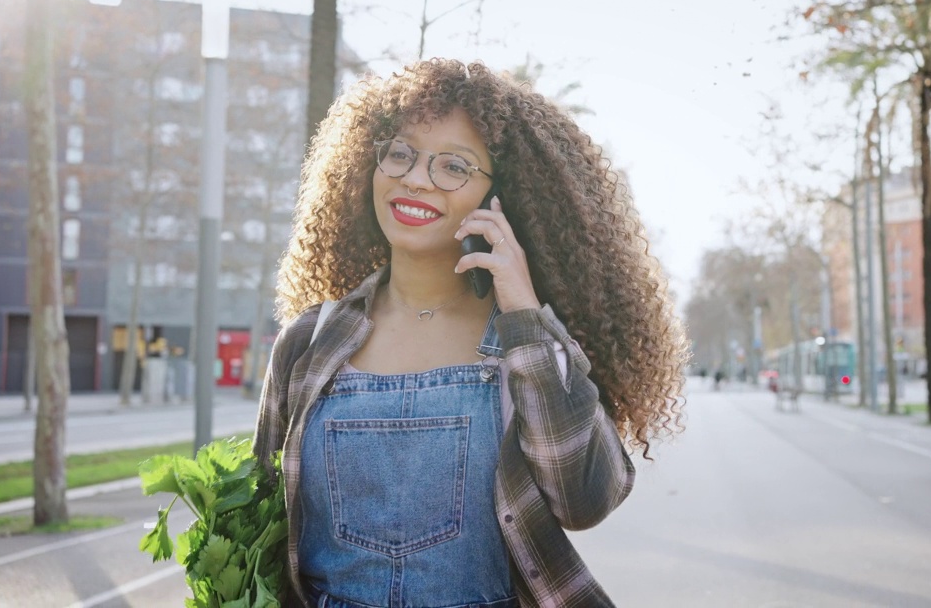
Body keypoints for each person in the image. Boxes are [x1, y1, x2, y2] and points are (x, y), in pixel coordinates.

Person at [254, 59, 688, 608]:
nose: (415, 178)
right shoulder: (307, 343)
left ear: (500, 196)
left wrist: (524, 313)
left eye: (453, 167)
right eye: (400, 153)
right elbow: (262, 524)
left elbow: (585, 502)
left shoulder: (524, 344)